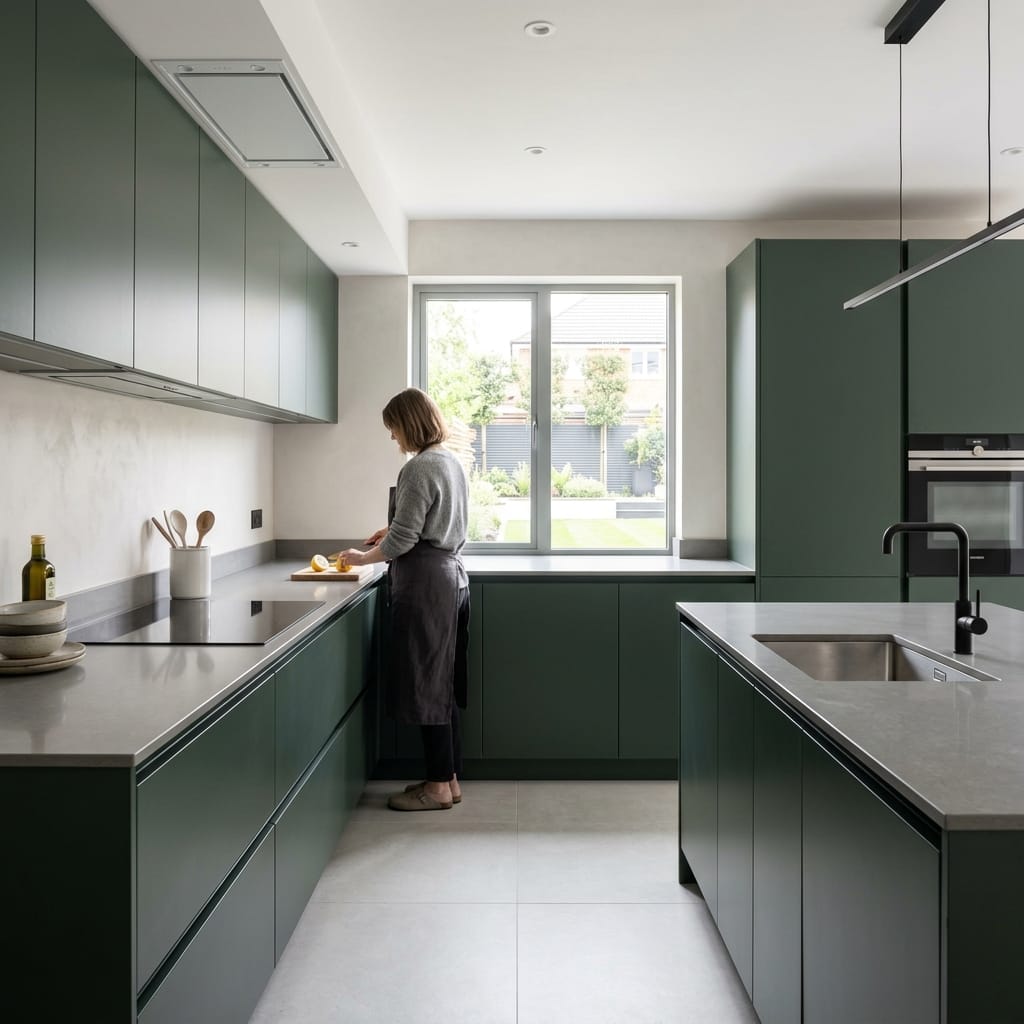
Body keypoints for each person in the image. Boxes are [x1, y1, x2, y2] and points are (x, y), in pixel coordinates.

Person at [338, 387, 470, 811]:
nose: (393, 437)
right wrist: (392, 529)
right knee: (441, 683)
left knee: (426, 685)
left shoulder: (418, 467)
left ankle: (437, 788)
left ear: (409, 423)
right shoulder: (450, 462)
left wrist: (363, 557)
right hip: (451, 579)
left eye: (393, 427)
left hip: (426, 584)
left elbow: (404, 541)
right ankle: (448, 779)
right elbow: (429, 522)